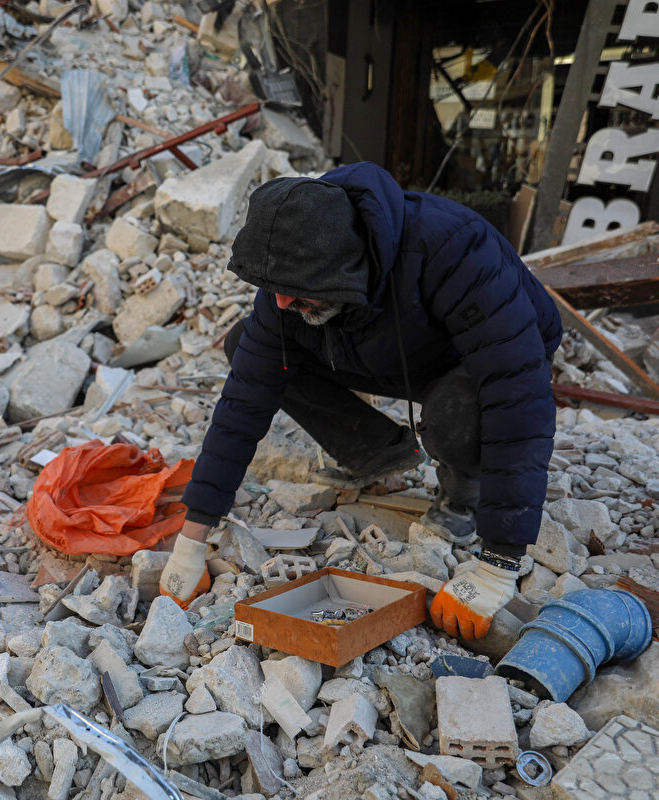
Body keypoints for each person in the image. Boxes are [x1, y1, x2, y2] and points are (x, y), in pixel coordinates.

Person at [159, 162, 562, 640]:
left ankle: (464, 492)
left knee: (456, 415)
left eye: (296, 291)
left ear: (343, 266)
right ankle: (379, 453)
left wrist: (498, 563)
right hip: (377, 342)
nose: (281, 301)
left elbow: (516, 396)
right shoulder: (291, 274)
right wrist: (192, 538)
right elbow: (242, 404)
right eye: (275, 290)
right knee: (250, 347)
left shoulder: (456, 249)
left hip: (473, 355)